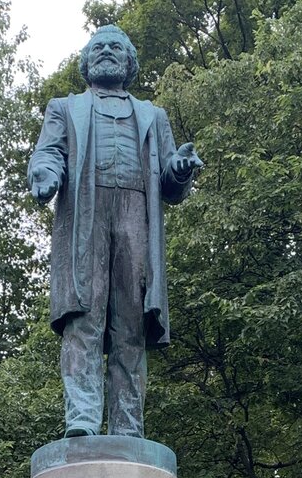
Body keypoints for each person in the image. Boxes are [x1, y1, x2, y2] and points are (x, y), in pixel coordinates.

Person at [29, 25, 202, 438]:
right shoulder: (64, 107)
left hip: (135, 216)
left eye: (116, 47)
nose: (106, 51)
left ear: (129, 62)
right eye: (98, 47)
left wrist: (178, 171)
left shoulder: (152, 115)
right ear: (87, 62)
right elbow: (48, 151)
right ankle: (82, 420)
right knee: (84, 319)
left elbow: (169, 184)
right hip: (87, 212)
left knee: (130, 324)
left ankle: (128, 428)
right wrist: (45, 173)